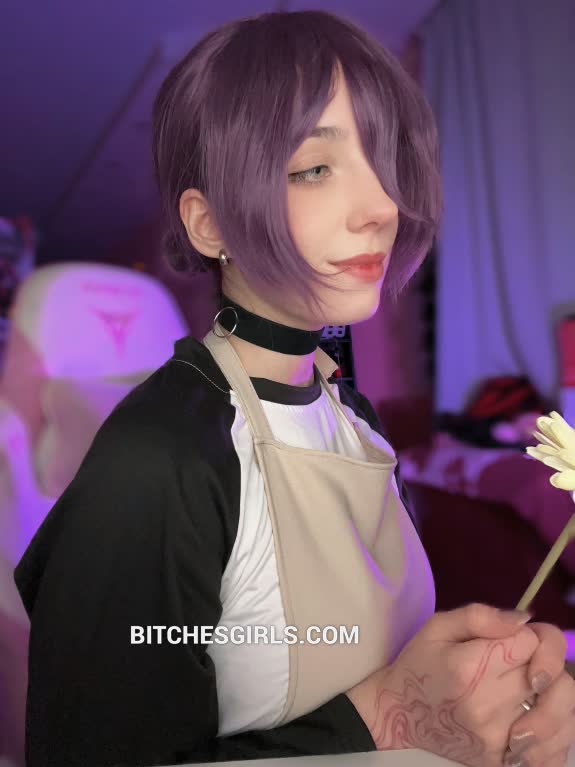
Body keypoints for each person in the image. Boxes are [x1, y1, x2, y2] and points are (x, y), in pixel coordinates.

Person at [13, 9, 575, 767]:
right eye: (313, 168)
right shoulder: (159, 460)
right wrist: (389, 719)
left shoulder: (353, 417)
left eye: (386, 162)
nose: (382, 209)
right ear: (209, 224)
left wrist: (491, 701)